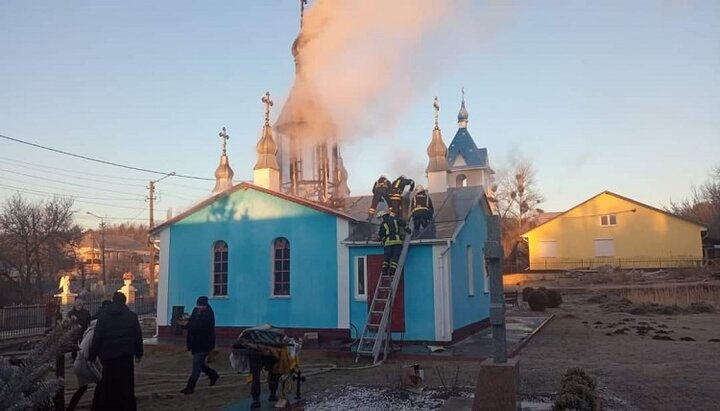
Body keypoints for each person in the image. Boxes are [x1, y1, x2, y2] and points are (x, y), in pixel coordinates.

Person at [88, 292, 143, 411]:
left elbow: (97, 338)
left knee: (109, 385)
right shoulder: (132, 316)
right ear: (125, 301)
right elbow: (138, 336)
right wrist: (139, 353)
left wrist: (92, 356)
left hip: (108, 357)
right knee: (126, 385)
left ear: (113, 301)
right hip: (126, 356)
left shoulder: (104, 317)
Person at [67, 301, 110, 411]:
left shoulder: (89, 330)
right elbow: (92, 353)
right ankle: (95, 407)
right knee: (101, 383)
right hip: (85, 364)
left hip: (78, 362)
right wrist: (98, 365)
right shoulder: (96, 332)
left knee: (83, 387)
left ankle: (70, 408)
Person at [180, 296, 219, 394]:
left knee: (196, 366)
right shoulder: (196, 311)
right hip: (196, 343)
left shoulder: (208, 314)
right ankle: (213, 375)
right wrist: (186, 323)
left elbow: (200, 328)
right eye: (198, 305)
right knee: (200, 365)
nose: (198, 307)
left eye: (200, 306)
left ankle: (190, 387)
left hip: (204, 343)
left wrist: (187, 325)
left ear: (205, 305)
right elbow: (193, 322)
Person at [377, 210, 410, 276]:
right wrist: (407, 230)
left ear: (382, 216)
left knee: (387, 257)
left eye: (379, 218)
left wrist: (381, 239)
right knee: (395, 256)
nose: (380, 220)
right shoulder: (394, 219)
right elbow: (403, 223)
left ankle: (384, 270)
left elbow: (381, 234)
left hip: (388, 243)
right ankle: (392, 270)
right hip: (397, 241)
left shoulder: (383, 224)